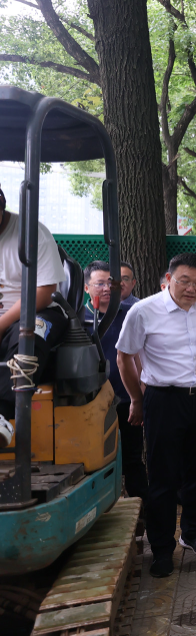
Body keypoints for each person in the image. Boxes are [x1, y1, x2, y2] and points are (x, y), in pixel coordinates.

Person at [116, 252, 196, 578]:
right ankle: (162, 548)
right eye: (184, 281)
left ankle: (193, 532)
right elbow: (124, 357)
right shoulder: (143, 311)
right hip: (163, 400)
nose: (192, 289)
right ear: (168, 280)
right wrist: (136, 399)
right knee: (163, 477)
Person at [0, 184, 67, 447]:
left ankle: (3, 414)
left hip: (37, 311)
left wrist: (2, 324)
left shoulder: (32, 234)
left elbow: (45, 291)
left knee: (28, 337)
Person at [82, 260, 147, 500]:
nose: (107, 288)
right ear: (86, 288)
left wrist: (140, 393)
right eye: (100, 283)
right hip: (90, 403)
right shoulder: (76, 318)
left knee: (132, 456)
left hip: (127, 400)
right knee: (94, 457)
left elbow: (140, 356)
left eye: (111, 283)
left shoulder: (129, 313)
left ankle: (143, 505)